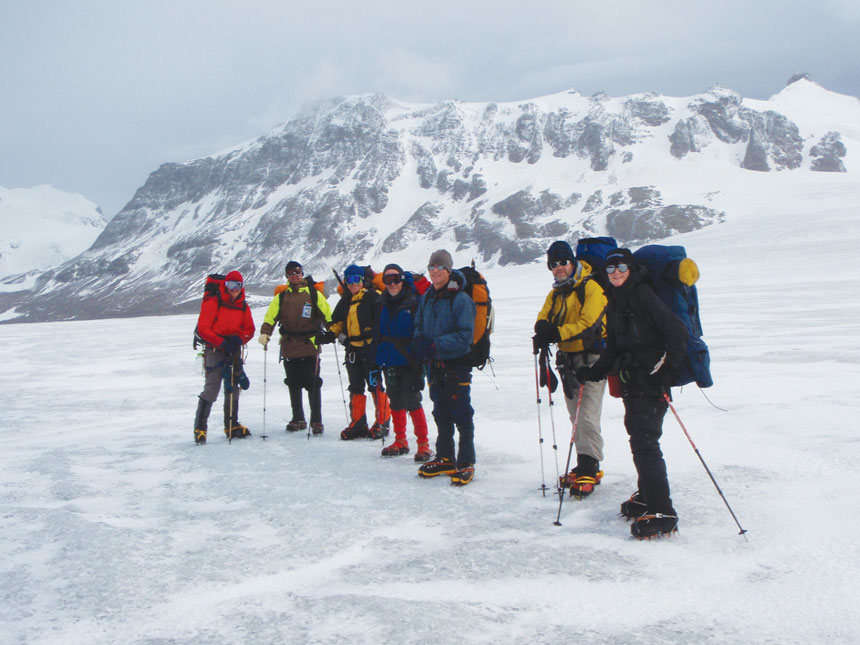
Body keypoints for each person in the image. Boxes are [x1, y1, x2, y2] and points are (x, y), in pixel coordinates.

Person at [576, 248, 689, 539]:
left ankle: (663, 510)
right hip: (632, 382)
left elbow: (677, 334)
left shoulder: (643, 295)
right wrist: (597, 370)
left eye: (621, 267)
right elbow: (615, 346)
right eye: (611, 268)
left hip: (650, 382)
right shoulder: (616, 299)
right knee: (639, 438)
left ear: (631, 269)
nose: (616, 273)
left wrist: (663, 374)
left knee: (645, 441)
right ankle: (647, 496)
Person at [533, 240, 608, 498]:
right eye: (553, 264)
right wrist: (543, 331)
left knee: (586, 413)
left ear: (572, 262)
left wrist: (557, 332)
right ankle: (584, 462)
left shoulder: (591, 288)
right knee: (575, 415)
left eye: (563, 262)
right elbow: (543, 317)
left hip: (592, 359)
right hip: (567, 360)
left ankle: (590, 464)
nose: (558, 268)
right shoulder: (556, 294)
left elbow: (589, 323)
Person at [413, 250, 477, 485]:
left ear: (449, 270)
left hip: (456, 364)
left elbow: (465, 336)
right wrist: (420, 343)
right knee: (440, 411)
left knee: (461, 412)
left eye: (440, 267)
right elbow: (419, 324)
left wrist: (434, 345)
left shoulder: (460, 299)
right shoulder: (428, 297)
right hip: (435, 365)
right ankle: (445, 457)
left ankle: (466, 461)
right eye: (431, 267)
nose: (435, 271)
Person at [258, 261, 333, 435]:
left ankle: (316, 421)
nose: (294, 275)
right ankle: (298, 418)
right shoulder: (282, 297)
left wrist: (334, 331)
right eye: (290, 273)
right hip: (289, 345)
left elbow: (327, 315)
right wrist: (265, 333)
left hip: (310, 344)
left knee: (313, 383)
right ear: (286, 276)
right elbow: (271, 317)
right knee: (293, 383)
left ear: (302, 273)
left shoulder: (313, 294)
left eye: (297, 272)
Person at [375, 263, 432, 460]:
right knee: (396, 400)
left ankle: (423, 444)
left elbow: (422, 331)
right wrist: (375, 361)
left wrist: (421, 364)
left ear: (402, 279)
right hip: (390, 359)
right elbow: (378, 333)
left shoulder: (414, 301)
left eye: (395, 279)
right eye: (387, 280)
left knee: (413, 401)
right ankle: (401, 441)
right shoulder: (381, 303)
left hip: (411, 360)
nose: (392, 284)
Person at [193, 270, 256, 444]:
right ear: (225, 285)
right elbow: (204, 328)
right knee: (212, 388)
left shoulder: (243, 305)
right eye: (230, 285)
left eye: (238, 286)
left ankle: (232, 426)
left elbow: (250, 329)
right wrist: (222, 343)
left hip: (233, 350)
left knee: (233, 388)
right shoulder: (213, 302)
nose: (234, 290)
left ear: (242, 287)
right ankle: (200, 429)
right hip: (215, 350)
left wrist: (239, 340)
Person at [330, 264, 391, 440]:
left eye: (356, 279)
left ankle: (382, 421)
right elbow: (337, 321)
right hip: (353, 351)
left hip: (371, 350)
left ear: (362, 280)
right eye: (349, 280)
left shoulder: (373, 296)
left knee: (375, 385)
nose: (352, 284)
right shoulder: (346, 300)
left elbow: (383, 320)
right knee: (355, 386)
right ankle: (358, 423)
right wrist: (330, 335)